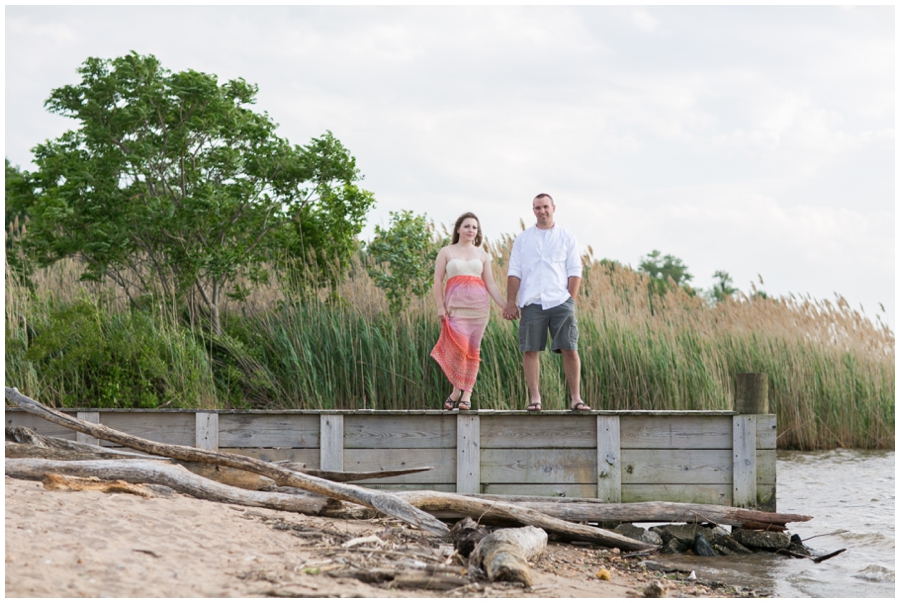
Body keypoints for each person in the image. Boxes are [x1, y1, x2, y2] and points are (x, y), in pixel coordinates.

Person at [502, 193, 591, 412]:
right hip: (532, 301)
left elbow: (574, 271)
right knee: (530, 350)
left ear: (553, 208)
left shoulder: (566, 237)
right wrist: (511, 302)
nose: (542, 211)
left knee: (570, 348)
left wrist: (570, 299)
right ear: (533, 211)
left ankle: (576, 399)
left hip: (560, 300)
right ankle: (535, 399)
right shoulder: (523, 239)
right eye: (537, 208)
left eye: (545, 207)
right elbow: (514, 272)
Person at [430, 212, 506, 410]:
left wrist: (505, 305)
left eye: (474, 227)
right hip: (455, 308)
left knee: (472, 350)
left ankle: (467, 394)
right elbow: (437, 280)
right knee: (459, 349)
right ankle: (456, 391)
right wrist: (440, 306)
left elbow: (490, 283)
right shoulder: (446, 251)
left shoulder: (482, 255)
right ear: (458, 229)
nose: (471, 230)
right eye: (467, 226)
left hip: (478, 309)